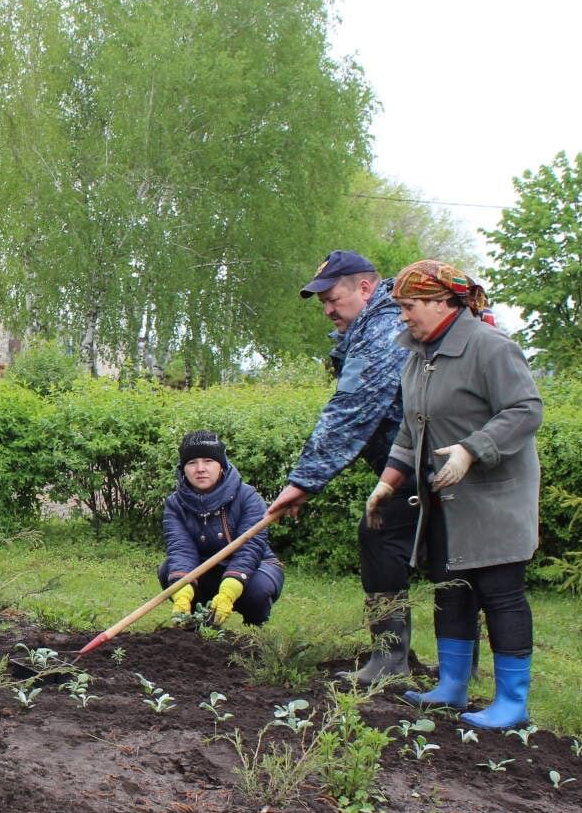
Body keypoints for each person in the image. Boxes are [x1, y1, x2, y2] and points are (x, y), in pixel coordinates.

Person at [366, 260, 542, 730]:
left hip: (494, 498)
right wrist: (389, 480)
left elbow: (526, 410)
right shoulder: (418, 356)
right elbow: (411, 427)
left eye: (409, 306)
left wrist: (471, 450)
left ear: (443, 302)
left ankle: (512, 702)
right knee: (452, 591)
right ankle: (452, 686)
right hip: (443, 499)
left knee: (500, 595)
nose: (402, 316)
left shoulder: (490, 348)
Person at [265, 250, 416, 684]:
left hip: (435, 461)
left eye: (333, 298)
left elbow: (351, 410)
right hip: (412, 462)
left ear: (365, 288)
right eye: (323, 303)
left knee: (387, 536)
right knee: (407, 544)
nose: (328, 310)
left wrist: (304, 481)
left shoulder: (385, 328)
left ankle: (394, 660)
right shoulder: (372, 326)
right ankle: (424, 663)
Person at [162, 431, 285, 626]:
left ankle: (255, 627)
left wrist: (229, 590)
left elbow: (250, 548)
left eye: (208, 460)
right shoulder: (175, 505)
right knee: (169, 571)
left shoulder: (247, 496)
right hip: (205, 569)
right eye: (192, 463)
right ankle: (194, 622)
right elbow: (181, 549)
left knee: (259, 589)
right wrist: (182, 592)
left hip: (254, 566)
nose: (200, 469)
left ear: (221, 465)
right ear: (183, 468)